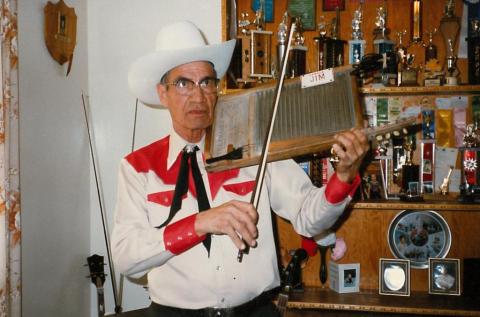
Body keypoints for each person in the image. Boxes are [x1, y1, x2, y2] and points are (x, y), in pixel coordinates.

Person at [111, 21, 369, 317]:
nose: (198, 95)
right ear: (162, 93)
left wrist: (344, 177)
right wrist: (199, 223)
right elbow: (126, 257)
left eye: (207, 82)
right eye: (183, 83)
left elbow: (309, 218)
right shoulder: (137, 167)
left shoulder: (256, 149)